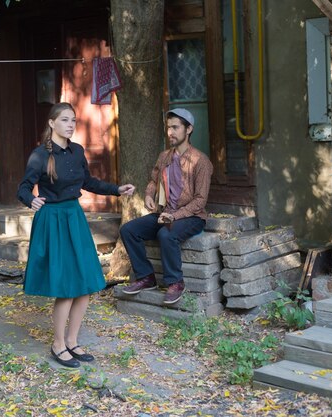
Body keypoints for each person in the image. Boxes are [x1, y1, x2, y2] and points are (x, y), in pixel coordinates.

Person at [17, 102, 135, 368]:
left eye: (73, 121)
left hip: (74, 217)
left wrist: (117, 189)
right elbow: (23, 187)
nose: (71, 125)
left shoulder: (77, 151)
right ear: (52, 123)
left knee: (86, 283)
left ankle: (72, 340)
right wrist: (31, 200)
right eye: (65, 120)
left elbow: (88, 182)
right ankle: (57, 344)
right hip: (53, 220)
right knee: (67, 287)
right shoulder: (39, 155)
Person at [120, 108, 213, 304]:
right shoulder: (164, 157)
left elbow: (200, 200)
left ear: (189, 129)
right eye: (168, 127)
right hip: (165, 213)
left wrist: (175, 216)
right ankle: (146, 277)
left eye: (175, 127)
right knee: (129, 230)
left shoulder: (201, 161)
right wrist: (148, 194)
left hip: (192, 216)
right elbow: (154, 180)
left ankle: (175, 283)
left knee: (166, 234)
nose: (170, 132)